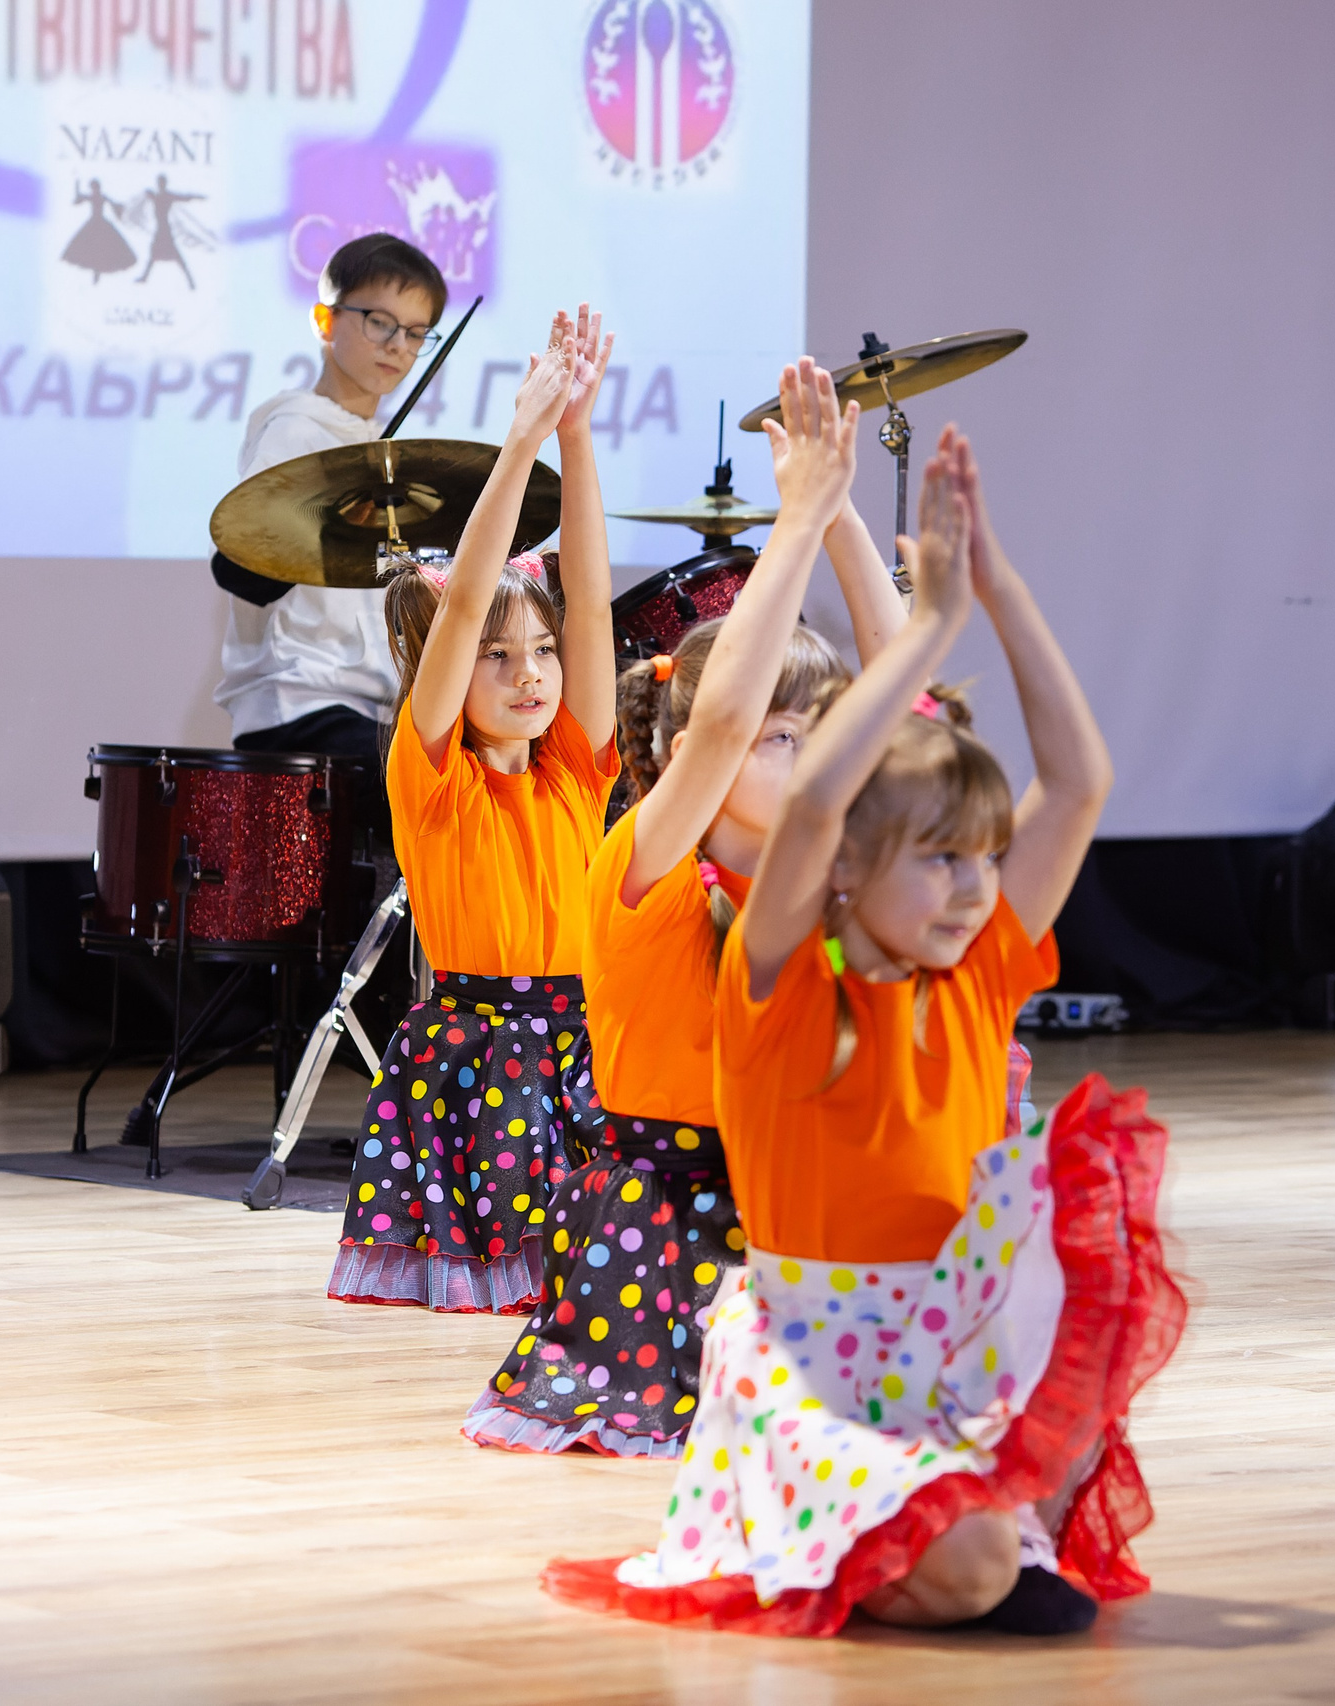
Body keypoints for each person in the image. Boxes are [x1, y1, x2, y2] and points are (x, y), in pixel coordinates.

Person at [544, 428, 1185, 1637]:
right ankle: (879, 1531)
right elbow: (804, 778)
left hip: (945, 1331)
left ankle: (941, 1523)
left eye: (981, 864)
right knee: (981, 1567)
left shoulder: (973, 968)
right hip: (817, 1356)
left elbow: (1077, 782)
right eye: (938, 861)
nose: (971, 889)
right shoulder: (782, 976)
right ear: (843, 867)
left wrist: (994, 588)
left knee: (1051, 1451)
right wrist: (894, 595)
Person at [462, 357, 889, 1452]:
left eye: (819, 735)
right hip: (665, 1225)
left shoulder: (822, 864)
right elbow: (731, 713)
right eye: (782, 740)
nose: (805, 758)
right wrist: (792, 525)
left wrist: (834, 512)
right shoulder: (643, 857)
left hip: (789, 1206)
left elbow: (910, 698)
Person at [327, 310, 622, 1312]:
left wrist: (577, 439)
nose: (531, 673)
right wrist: (522, 443)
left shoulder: (575, 768)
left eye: (540, 653)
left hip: (583, 1048)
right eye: (500, 658)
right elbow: (461, 609)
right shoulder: (435, 773)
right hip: (474, 1055)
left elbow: (591, 598)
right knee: (494, 1294)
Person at [217, 234, 447, 792]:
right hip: (302, 701)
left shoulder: (376, 446)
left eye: (416, 333)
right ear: (325, 320)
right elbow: (243, 566)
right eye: (379, 321)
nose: (398, 345)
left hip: (368, 704)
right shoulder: (297, 427)